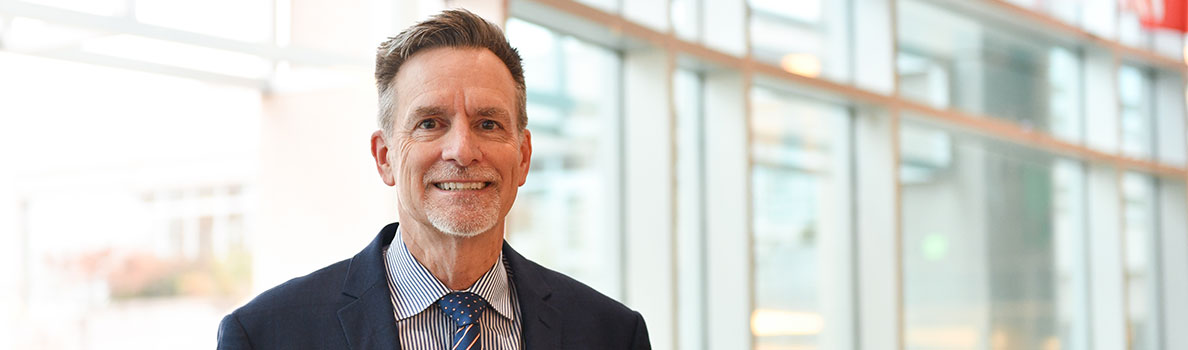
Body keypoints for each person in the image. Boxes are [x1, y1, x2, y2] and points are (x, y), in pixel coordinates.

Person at [216, 8, 651, 350]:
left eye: (488, 123)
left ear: (522, 157)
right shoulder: (267, 335)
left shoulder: (610, 334)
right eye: (429, 123)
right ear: (384, 157)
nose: (462, 150)